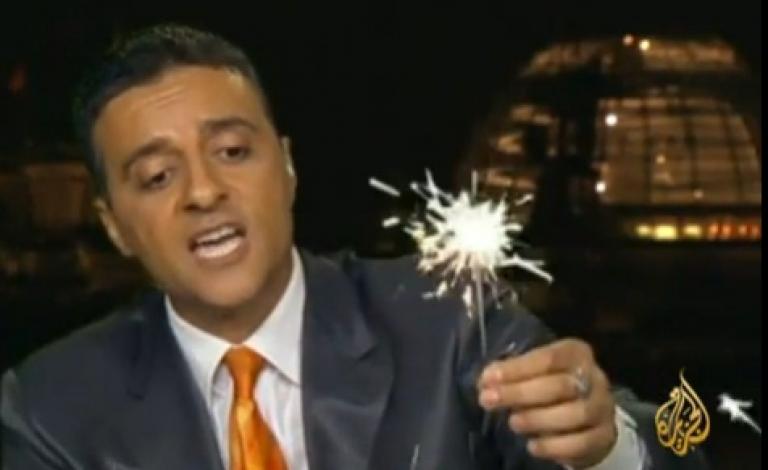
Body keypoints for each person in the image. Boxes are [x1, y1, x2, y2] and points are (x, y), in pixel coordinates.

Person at [1, 24, 707, 470]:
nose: (204, 191)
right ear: (114, 225)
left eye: (233, 151)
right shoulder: (47, 409)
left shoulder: (449, 318)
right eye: (158, 176)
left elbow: (683, 445)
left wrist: (609, 445)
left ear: (287, 167)